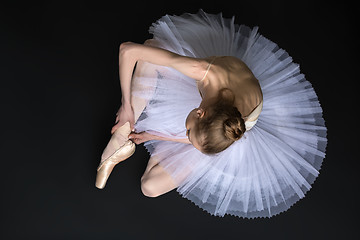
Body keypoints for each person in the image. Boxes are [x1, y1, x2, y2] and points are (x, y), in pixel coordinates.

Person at [96, 10, 327, 218]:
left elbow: (193, 138)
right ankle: (121, 135)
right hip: (219, 79)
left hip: (218, 124)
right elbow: (129, 50)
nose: (184, 134)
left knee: (149, 187)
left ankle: (126, 144)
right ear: (199, 112)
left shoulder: (230, 128)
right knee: (151, 51)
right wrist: (126, 105)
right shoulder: (204, 72)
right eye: (188, 133)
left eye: (189, 136)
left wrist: (155, 136)